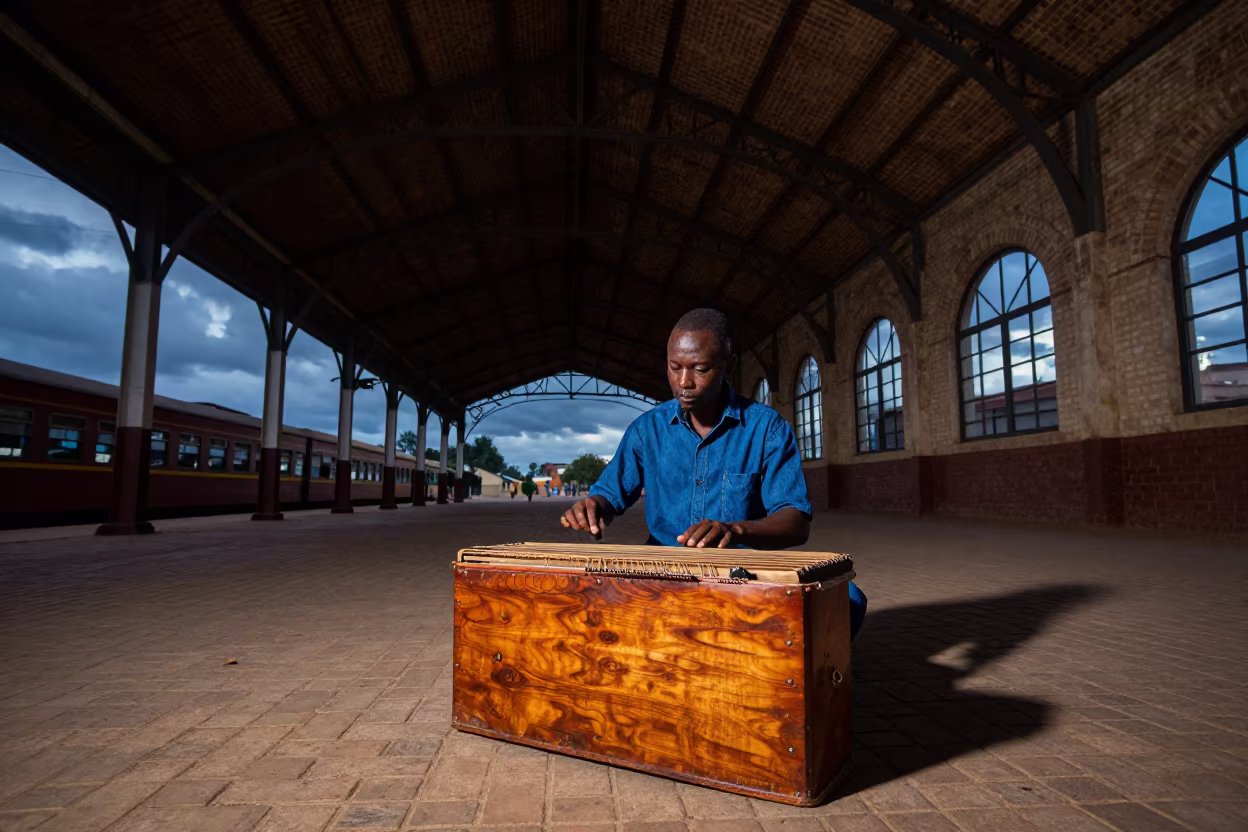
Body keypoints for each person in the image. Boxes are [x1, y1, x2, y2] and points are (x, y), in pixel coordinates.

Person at [563, 308, 867, 639]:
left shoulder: (767, 429)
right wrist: (593, 506)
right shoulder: (646, 430)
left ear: (728, 366)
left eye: (700, 369)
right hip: (663, 565)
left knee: (847, 601)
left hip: (741, 568)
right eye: (674, 367)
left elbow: (796, 523)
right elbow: (609, 495)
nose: (683, 382)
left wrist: (735, 529)